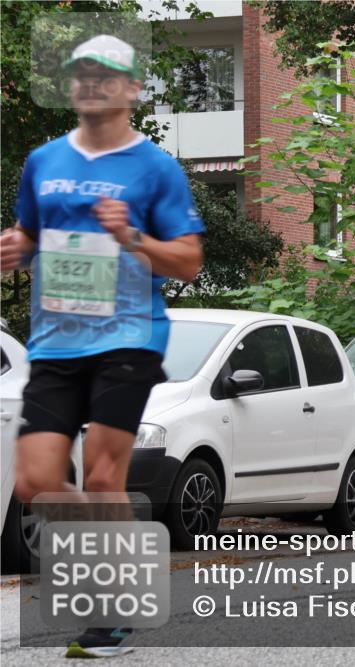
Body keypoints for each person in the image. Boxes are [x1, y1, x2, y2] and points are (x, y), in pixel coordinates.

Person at [0, 35, 204, 657]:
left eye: (106, 75)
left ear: (132, 89)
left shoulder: (155, 168)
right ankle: (124, 568)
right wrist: (16, 250)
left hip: (129, 336)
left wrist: (134, 236)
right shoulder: (43, 160)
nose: (92, 84)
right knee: (35, 482)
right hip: (57, 342)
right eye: (81, 75)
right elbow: (28, 236)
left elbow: (190, 262)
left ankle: (110, 612)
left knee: (103, 472)